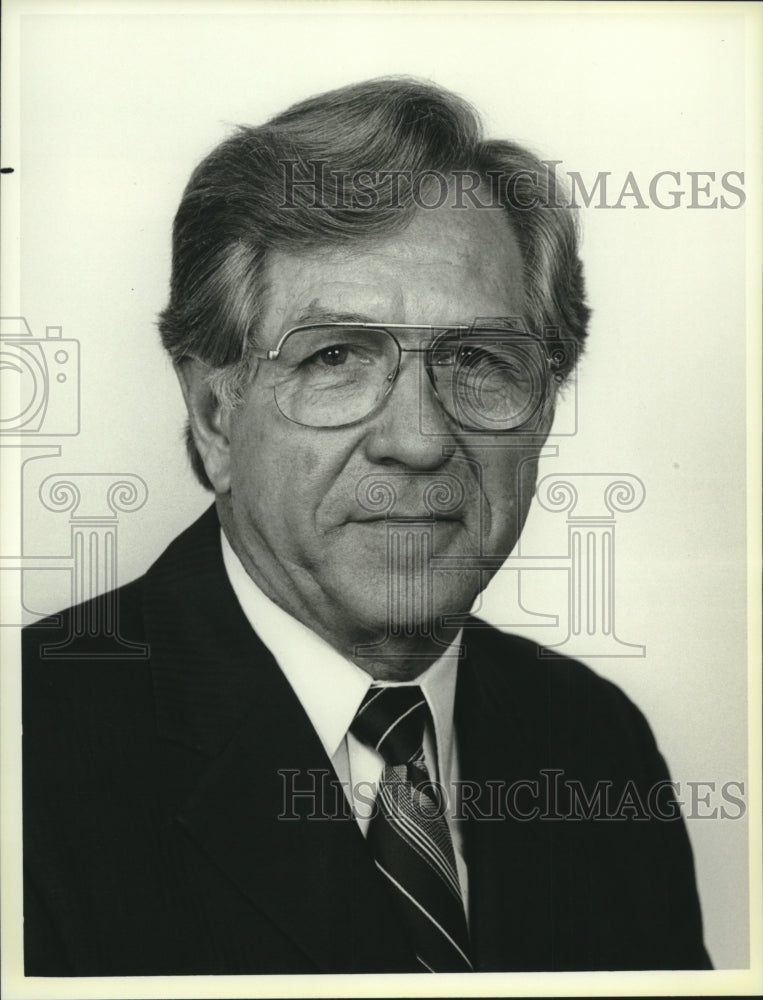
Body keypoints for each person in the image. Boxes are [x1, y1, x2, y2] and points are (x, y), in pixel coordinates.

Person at [22, 77, 711, 975]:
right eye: (336, 357)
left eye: (477, 359)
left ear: (543, 409)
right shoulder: (29, 747)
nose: (418, 441)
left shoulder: (593, 742)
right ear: (215, 416)